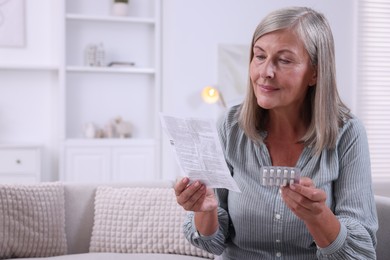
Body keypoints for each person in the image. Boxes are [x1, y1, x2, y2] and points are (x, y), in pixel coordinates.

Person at [174, 6, 378, 260]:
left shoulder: (348, 133)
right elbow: (213, 243)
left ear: (315, 72)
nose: (265, 72)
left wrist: (318, 216)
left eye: (284, 60)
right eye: (259, 56)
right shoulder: (230, 126)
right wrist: (205, 211)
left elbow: (360, 253)